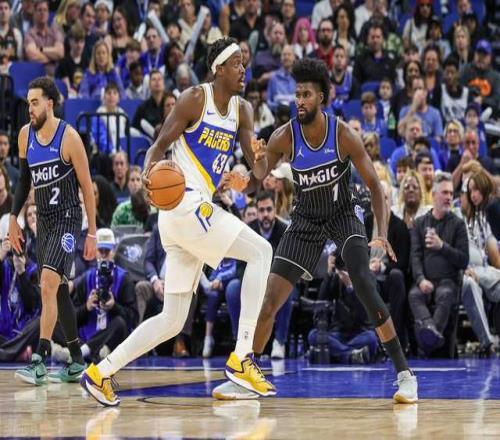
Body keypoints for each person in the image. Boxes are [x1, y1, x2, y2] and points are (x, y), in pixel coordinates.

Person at [80, 37, 274, 406]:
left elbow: (258, 174)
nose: (243, 69)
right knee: (261, 252)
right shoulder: (195, 99)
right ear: (218, 68)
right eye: (236, 63)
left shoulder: (243, 110)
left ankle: (100, 372)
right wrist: (148, 175)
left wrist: (254, 166)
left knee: (172, 319)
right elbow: (158, 146)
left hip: (191, 215)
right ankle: (242, 356)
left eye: (244, 63)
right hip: (183, 205)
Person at [214, 58, 418, 403]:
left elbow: (374, 186)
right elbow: (258, 177)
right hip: (306, 219)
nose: (300, 101)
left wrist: (381, 232)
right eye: (297, 95)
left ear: (322, 97)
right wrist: (243, 178)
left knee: (364, 283)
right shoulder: (283, 136)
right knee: (269, 299)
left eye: (306, 95)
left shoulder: (343, 134)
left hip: (342, 214)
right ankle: (247, 375)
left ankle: (404, 375)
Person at [9, 77, 97, 385]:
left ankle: (40, 360)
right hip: (44, 220)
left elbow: (87, 187)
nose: (30, 109)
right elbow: (24, 180)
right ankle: (76, 360)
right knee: (57, 291)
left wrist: (92, 232)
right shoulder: (25, 136)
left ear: (50, 103)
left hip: (68, 218)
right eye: (28, 103)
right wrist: (13, 218)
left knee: (47, 283)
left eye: (35, 103)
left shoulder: (69, 137)